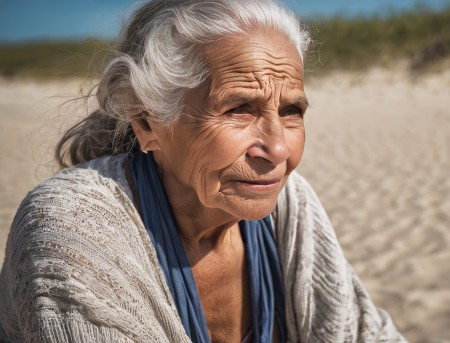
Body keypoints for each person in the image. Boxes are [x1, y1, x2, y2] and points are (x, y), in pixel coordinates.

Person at [0, 0, 405, 342]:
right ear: (147, 122)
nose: (278, 149)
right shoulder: (74, 229)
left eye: (292, 111)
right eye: (239, 109)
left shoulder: (291, 207)